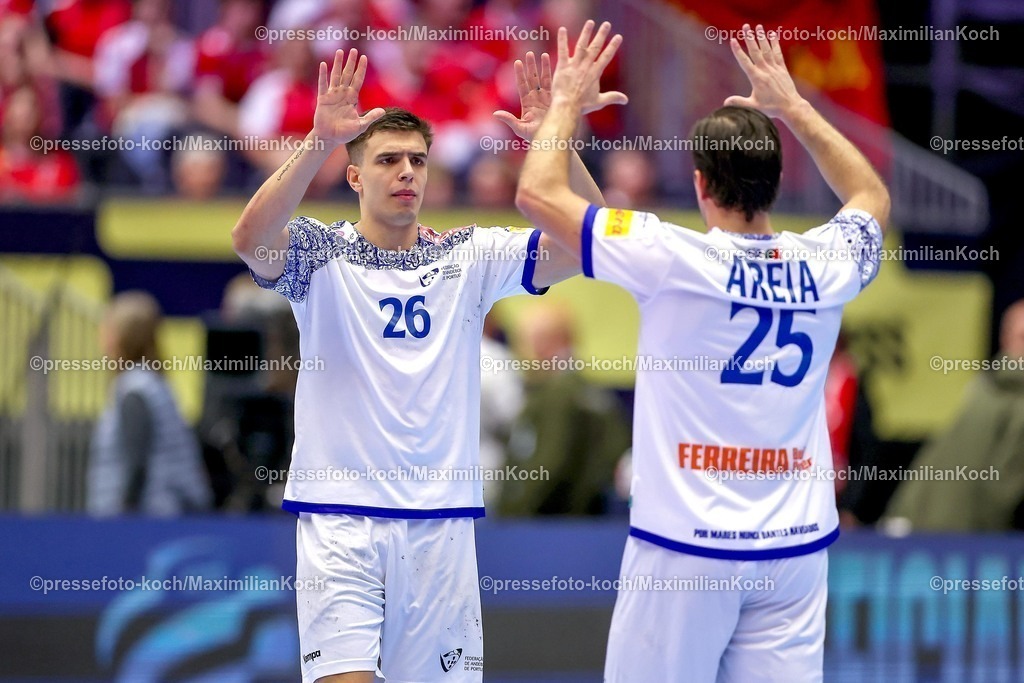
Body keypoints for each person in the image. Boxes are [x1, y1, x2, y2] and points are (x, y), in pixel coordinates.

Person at [514, 22, 889, 683]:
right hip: (793, 551)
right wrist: (794, 105)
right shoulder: (825, 262)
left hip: (685, 548)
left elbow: (537, 197)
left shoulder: (673, 256)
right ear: (772, 180)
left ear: (699, 185)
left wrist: (564, 107)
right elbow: (871, 195)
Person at [230, 47, 618, 683]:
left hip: (440, 529)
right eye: (387, 160)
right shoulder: (319, 255)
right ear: (355, 177)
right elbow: (249, 239)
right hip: (341, 520)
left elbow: (585, 241)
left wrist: (557, 138)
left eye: (417, 160)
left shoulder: (469, 256)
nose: (406, 171)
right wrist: (319, 140)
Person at [884, 300, 1024, 531]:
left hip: (923, 527)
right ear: (1005, 338)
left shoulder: (981, 388)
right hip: (963, 540)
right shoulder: (986, 391)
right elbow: (1000, 492)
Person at [86, 291, 213, 516]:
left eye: (107, 329)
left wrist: (124, 516)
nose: (101, 337)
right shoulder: (154, 384)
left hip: (149, 519)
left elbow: (136, 464)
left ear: (120, 337)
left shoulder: (135, 390)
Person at [498, 301, 630, 516]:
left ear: (543, 343)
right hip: (583, 521)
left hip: (546, 525)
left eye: (527, 343)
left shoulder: (558, 392)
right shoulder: (588, 390)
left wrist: (513, 513)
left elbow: (550, 463)